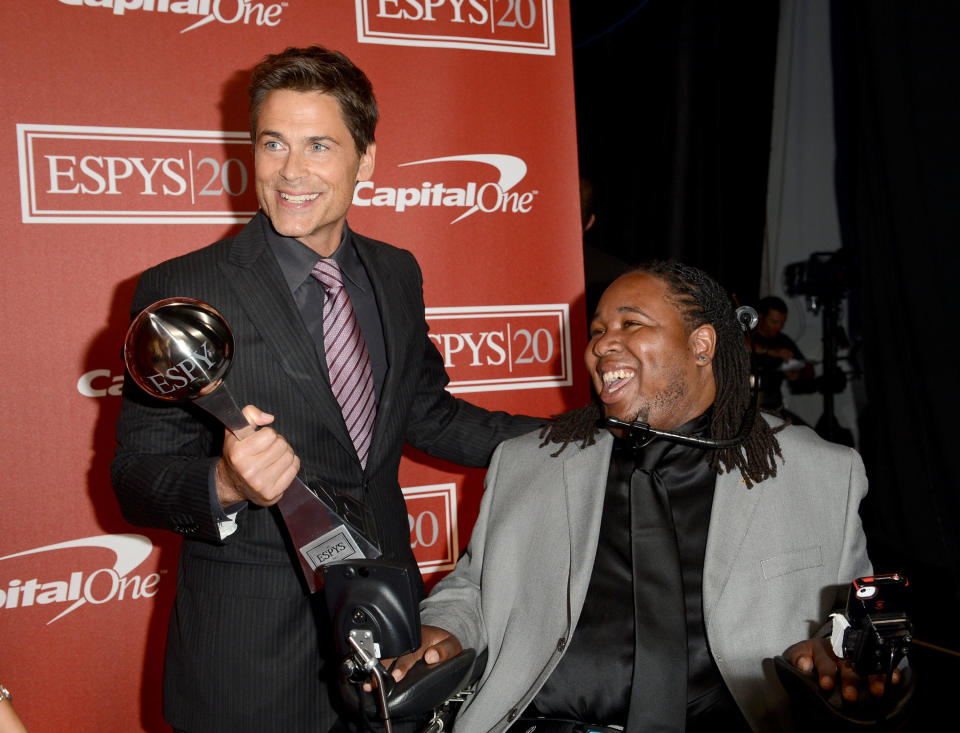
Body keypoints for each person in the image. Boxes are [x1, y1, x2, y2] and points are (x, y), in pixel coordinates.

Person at [111, 45, 541, 733]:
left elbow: (426, 413)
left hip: (384, 635)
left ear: (365, 159)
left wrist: (572, 440)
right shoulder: (182, 288)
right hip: (248, 658)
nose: (291, 171)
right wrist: (224, 481)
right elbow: (134, 476)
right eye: (273, 143)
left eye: (318, 145)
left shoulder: (397, 273)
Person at [390, 262, 890, 731]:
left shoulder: (819, 472)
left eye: (631, 324)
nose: (604, 345)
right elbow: (475, 588)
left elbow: (850, 623)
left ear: (702, 344)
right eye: (598, 331)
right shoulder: (530, 463)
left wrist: (842, 654)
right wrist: (446, 629)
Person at [747, 296, 814, 419]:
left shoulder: (783, 341)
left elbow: (807, 367)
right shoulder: (747, 335)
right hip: (744, 406)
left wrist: (797, 375)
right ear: (761, 317)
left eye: (783, 322)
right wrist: (771, 352)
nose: (779, 326)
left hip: (773, 407)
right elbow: (741, 346)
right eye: (774, 322)